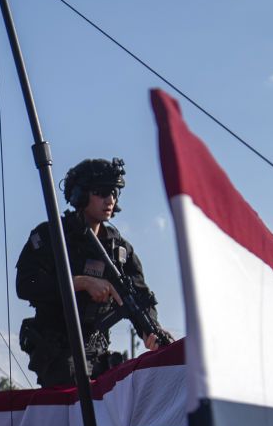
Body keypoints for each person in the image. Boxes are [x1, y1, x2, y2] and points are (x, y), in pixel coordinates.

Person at [15, 157, 168, 387]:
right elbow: (26, 284)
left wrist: (151, 330)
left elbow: (139, 297)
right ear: (81, 195)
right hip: (58, 348)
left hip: (97, 349)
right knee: (73, 397)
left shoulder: (119, 249)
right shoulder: (52, 236)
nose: (110, 200)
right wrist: (80, 282)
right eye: (102, 192)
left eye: (114, 192)